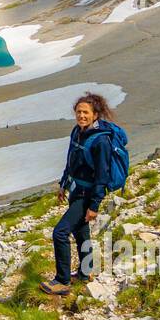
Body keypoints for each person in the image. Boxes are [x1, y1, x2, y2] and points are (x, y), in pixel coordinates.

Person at [40, 93, 116, 296]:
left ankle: (62, 281)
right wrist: (63, 184)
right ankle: (85, 273)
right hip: (75, 189)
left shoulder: (101, 142)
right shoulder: (78, 131)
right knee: (81, 231)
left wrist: (94, 205)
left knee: (60, 232)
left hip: (87, 194)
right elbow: (71, 160)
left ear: (95, 114)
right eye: (79, 112)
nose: (81, 115)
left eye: (86, 112)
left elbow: (103, 175)